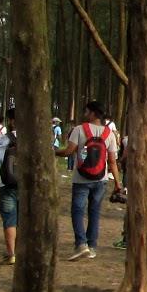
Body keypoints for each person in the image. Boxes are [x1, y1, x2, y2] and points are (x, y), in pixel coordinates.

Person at [55, 100, 120, 260]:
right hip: (101, 178)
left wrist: (54, 152)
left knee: (77, 211)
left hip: (81, 178)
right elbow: (112, 161)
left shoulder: (79, 129)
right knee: (94, 212)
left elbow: (69, 152)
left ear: (92, 113)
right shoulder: (109, 134)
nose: (85, 114)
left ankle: (81, 244)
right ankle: (91, 247)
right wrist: (118, 183)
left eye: (86, 111)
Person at [0, 126, 20, 264]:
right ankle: (20, 251)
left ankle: (11, 254)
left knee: (9, 220)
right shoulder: (34, 145)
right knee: (22, 220)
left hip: (6, 186)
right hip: (25, 188)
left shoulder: (4, 140)